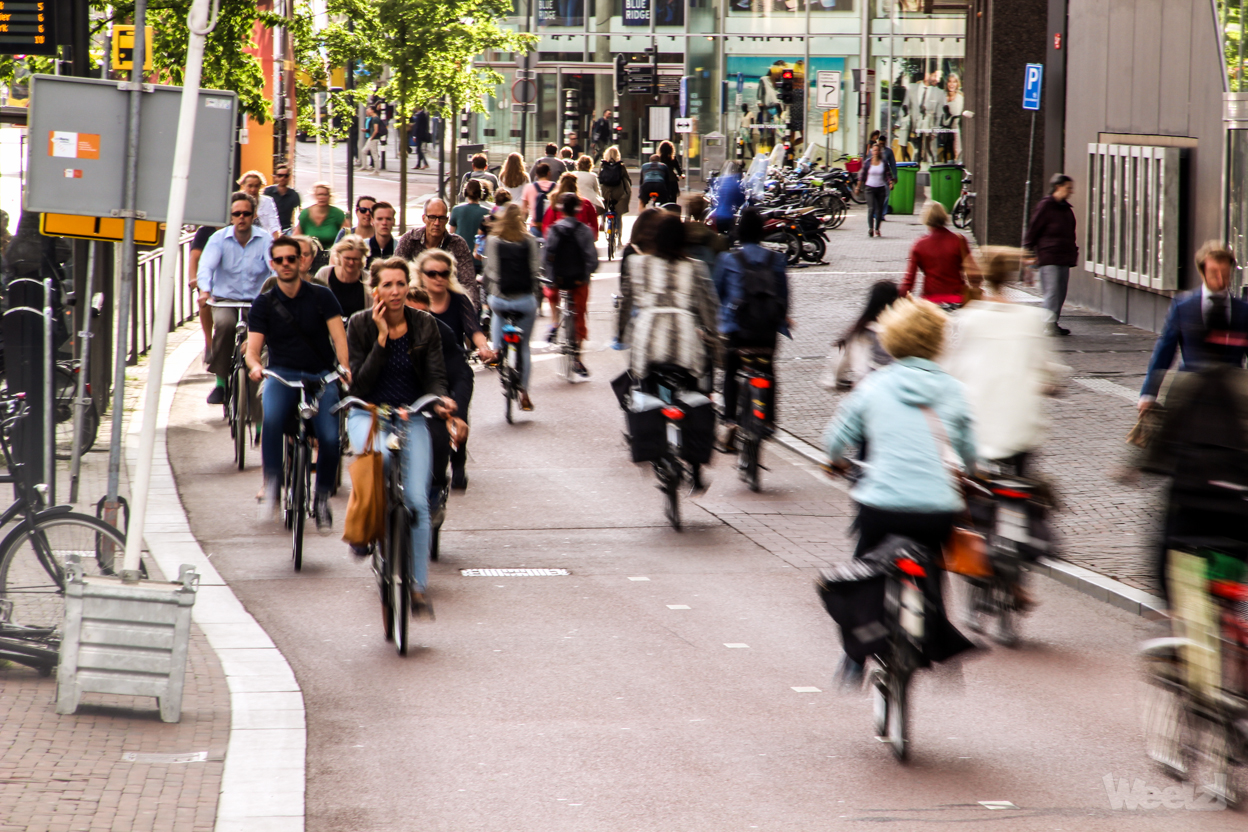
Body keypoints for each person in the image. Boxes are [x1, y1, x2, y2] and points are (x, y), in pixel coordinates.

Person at [823, 297, 977, 683]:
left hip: (881, 506)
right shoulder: (954, 390)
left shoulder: (873, 386)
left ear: (892, 339)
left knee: (863, 569)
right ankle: (940, 645)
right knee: (933, 567)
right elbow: (969, 450)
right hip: (937, 509)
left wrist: (835, 461)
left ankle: (854, 658)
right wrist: (970, 473)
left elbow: (836, 438)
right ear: (937, 342)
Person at [346, 257, 454, 615]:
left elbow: (436, 375)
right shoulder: (359, 324)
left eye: (400, 284)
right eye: (387, 285)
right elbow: (360, 384)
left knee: (418, 503)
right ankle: (367, 523)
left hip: (411, 415)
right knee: (379, 462)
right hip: (369, 413)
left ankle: (418, 588)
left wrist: (440, 400)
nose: (395, 291)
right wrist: (381, 338)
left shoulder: (424, 323)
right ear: (374, 289)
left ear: (408, 286)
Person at [244, 235, 350, 531]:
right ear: (272, 264)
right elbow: (253, 350)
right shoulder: (264, 303)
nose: (286, 264)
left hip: (321, 376)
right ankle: (273, 483)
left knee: (330, 438)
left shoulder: (322, 296)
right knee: (272, 421)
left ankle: (322, 495)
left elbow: (339, 338)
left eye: (291, 258)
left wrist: (344, 367)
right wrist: (256, 367)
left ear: (301, 261)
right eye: (280, 260)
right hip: (281, 374)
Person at [624, 214, 721, 490]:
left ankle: (653, 450)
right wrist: (715, 340)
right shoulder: (696, 267)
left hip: (647, 343)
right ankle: (696, 471)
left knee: (643, 393)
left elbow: (627, 302)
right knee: (695, 396)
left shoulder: (637, 264)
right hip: (685, 345)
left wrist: (620, 335)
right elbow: (709, 308)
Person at [943, 247, 1065, 466]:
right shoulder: (1032, 319)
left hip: (977, 428)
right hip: (1019, 430)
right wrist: (1050, 384)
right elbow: (1049, 370)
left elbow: (949, 370)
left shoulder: (965, 319)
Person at [712, 207, 790, 446]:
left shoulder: (728, 259)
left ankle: (729, 421)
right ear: (761, 232)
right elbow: (784, 295)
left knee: (731, 371)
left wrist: (721, 319)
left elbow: (717, 293)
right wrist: (782, 319)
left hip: (738, 332)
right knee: (769, 369)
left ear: (740, 231)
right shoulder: (776, 259)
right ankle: (769, 421)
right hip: (767, 332)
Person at [1139, 242, 1248, 412]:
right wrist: (1148, 394)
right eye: (1214, 273)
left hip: (1232, 401)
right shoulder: (1183, 307)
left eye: (1225, 273)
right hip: (1189, 398)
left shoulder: (1243, 311)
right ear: (1202, 272)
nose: (1220, 279)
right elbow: (1165, 351)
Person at [416, 250, 492, 489]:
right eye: (432, 273)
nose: (439, 278)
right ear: (421, 274)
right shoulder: (413, 299)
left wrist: (484, 347)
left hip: (455, 365)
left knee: (459, 413)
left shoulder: (459, 299)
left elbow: (473, 329)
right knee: (429, 420)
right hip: (424, 370)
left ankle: (458, 466)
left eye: (444, 273)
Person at [197, 192, 273, 405]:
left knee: (263, 333)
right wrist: (205, 291)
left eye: (246, 213)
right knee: (225, 325)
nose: (242, 217)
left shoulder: (265, 239)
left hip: (257, 301)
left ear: (254, 215)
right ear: (230, 216)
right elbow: (206, 267)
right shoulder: (218, 239)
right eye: (237, 213)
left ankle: (261, 382)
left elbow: (274, 267)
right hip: (225, 300)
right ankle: (221, 383)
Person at [405, 284, 473, 505]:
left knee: (440, 438)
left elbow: (460, 374)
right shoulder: (382, 330)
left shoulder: (441, 332)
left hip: (430, 400)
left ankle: (436, 493)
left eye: (424, 314)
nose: (419, 320)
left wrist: (458, 415)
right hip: (394, 403)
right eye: (411, 313)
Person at [483, 203, 542, 411]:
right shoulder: (530, 241)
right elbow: (535, 270)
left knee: (497, 313)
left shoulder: (493, 240)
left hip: (500, 300)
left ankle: (497, 350)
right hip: (525, 302)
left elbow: (490, 271)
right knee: (524, 346)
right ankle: (524, 393)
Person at [543, 193, 599, 379]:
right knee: (579, 313)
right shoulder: (585, 231)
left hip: (558, 280)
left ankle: (555, 321)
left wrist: (550, 277)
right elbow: (592, 259)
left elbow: (547, 257)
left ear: (560, 210)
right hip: (578, 281)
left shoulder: (554, 230)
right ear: (578, 210)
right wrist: (586, 275)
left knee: (551, 292)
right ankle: (577, 358)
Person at [396, 198, 479, 307]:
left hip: (448, 306)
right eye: (432, 217)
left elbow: (468, 283)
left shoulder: (458, 244)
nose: (437, 223)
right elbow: (396, 274)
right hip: (414, 305)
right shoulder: (409, 240)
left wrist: (470, 309)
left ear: (447, 220)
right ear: (424, 218)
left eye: (441, 218)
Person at [1023, 174, 1079, 336]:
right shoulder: (1046, 206)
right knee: (1053, 291)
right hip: (1049, 255)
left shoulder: (1066, 209)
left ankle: (1053, 322)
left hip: (1064, 256)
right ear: (1057, 187)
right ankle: (1047, 324)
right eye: (1068, 188)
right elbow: (1033, 229)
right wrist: (1027, 251)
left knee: (1060, 292)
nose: (1071, 191)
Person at [900, 201, 974, 306]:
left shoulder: (919, 245)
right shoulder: (959, 240)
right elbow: (973, 272)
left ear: (925, 219)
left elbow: (909, 281)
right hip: (957, 298)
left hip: (931, 302)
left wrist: (899, 300)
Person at [831, 280, 898, 391]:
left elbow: (841, 358)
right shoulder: (898, 327)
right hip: (892, 388)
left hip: (866, 388)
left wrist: (838, 380)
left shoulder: (860, 328)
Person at [315, 235, 370, 318]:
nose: (351, 263)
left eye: (355, 259)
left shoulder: (368, 279)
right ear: (339, 256)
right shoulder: (324, 274)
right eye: (347, 258)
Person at [188, 223, 221, 359]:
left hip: (230, 279)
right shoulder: (205, 231)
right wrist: (193, 278)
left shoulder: (238, 229)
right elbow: (195, 257)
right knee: (205, 303)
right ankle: (209, 343)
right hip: (210, 278)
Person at [541, 172, 598, 239]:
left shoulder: (555, 203)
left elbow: (547, 226)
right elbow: (594, 224)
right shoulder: (585, 203)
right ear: (576, 185)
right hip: (581, 240)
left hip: (560, 241)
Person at [855, 143, 894, 238]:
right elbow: (862, 176)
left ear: (880, 152)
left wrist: (890, 183)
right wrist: (858, 187)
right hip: (869, 188)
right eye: (874, 150)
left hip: (881, 189)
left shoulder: (883, 162)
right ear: (872, 152)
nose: (876, 152)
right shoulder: (867, 163)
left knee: (879, 210)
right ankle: (870, 229)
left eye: (877, 150)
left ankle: (877, 228)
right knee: (871, 208)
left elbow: (888, 174)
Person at [297, 181, 347, 253]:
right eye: (319, 194)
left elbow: (346, 236)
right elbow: (296, 237)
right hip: (310, 254)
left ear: (329, 196)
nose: (322, 197)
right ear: (315, 196)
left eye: (325, 195)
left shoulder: (338, 214)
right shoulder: (305, 214)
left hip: (332, 254)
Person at [449, 180, 491, 253]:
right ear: (481, 194)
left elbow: (451, 235)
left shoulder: (456, 210)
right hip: (479, 256)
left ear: (465, 193)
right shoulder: (487, 212)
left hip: (460, 255)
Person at [238, 171, 281, 239]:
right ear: (243, 186)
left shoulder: (268, 201)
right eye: (250, 186)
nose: (253, 189)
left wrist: (276, 241)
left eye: (256, 186)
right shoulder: (236, 202)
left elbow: (274, 225)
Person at [522, 162, 557, 237]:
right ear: (549, 173)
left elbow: (524, 210)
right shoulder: (557, 187)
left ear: (536, 175)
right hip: (552, 228)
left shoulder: (529, 187)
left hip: (535, 226)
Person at [263, 163, 301, 233]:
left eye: (286, 176)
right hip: (270, 229)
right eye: (280, 175)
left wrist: (296, 229)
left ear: (289, 177)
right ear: (275, 177)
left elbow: (299, 213)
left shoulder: (294, 194)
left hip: (287, 229)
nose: (283, 178)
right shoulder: (268, 192)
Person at [598, 146, 632, 222]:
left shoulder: (603, 165)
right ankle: (618, 222)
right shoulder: (621, 166)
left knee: (604, 203)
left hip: (605, 192)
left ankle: (602, 221)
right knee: (618, 210)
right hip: (618, 194)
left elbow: (599, 178)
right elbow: (627, 178)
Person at [358, 106, 382, 171]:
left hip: (373, 138)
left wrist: (371, 137)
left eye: (369, 110)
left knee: (374, 153)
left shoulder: (375, 119)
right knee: (364, 151)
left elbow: (376, 130)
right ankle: (364, 166)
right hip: (372, 137)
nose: (368, 111)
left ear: (373, 111)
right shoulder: (373, 118)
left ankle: (376, 170)